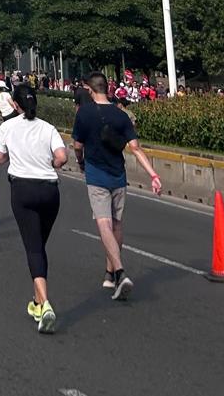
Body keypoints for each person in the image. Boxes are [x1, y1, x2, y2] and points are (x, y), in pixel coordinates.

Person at [71, 72, 163, 299]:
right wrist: (153, 175)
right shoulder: (121, 116)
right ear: (107, 89)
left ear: (90, 91)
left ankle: (120, 272)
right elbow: (135, 148)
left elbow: (77, 144)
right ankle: (109, 273)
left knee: (104, 224)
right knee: (117, 224)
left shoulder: (84, 113)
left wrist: (80, 161)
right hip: (118, 175)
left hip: (96, 174)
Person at [0, 84, 68, 333]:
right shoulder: (48, 128)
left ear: (15, 104)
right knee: (39, 246)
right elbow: (62, 157)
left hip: (22, 190)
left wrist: (12, 157)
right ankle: (36, 301)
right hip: (49, 191)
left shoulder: (8, 127)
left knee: (33, 248)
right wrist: (52, 162)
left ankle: (45, 304)